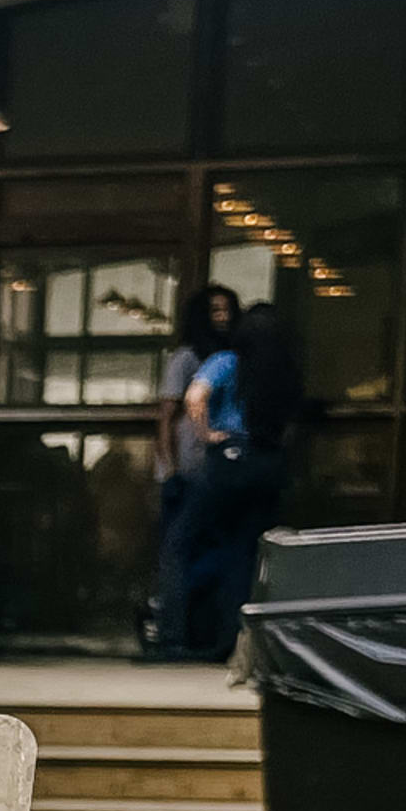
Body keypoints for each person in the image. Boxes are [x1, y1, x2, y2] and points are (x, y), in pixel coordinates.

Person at [169, 303, 304, 662]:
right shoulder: (283, 371)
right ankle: (233, 638)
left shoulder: (228, 361)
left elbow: (194, 397)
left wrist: (206, 434)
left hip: (229, 459)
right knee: (245, 553)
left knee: (181, 542)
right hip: (267, 462)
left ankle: (176, 631)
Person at [148, 281, 242, 659]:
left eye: (227, 310)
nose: (222, 318)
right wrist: (169, 470)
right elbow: (167, 416)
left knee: (202, 552)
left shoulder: (232, 360)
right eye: (214, 311)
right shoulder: (188, 358)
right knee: (177, 553)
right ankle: (173, 634)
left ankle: (200, 632)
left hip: (217, 472)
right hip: (186, 469)